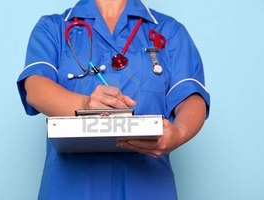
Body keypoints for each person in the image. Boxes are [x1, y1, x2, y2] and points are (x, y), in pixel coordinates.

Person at [17, 0, 210, 199]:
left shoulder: (169, 31)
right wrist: (85, 105)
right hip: (70, 189)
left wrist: (179, 133)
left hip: (148, 188)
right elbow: (35, 87)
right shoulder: (53, 28)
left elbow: (191, 97)